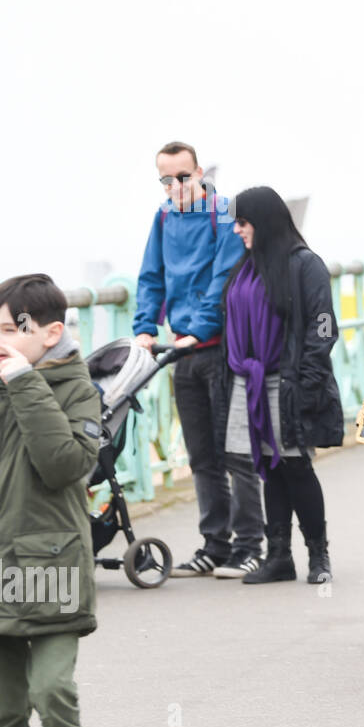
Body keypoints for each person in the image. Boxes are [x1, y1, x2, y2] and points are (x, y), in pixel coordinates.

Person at [0, 274, 101, 727]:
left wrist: (25, 383)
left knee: (52, 692)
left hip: (53, 567)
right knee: (5, 717)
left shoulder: (77, 388)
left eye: (11, 329)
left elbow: (64, 465)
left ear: (51, 333)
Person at [134, 141, 263, 579]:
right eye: (166, 180)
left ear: (200, 172)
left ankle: (250, 546)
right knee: (201, 456)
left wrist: (198, 330)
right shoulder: (164, 216)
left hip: (221, 349)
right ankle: (215, 545)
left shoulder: (224, 213)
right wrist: (145, 327)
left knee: (237, 454)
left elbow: (225, 277)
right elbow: (152, 275)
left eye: (182, 177)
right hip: (182, 353)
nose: (175, 187)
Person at [220, 188, 345, 585]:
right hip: (251, 381)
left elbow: (323, 326)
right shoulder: (247, 266)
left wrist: (307, 381)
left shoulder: (304, 265)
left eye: (244, 221)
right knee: (269, 468)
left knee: (295, 465)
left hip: (288, 381)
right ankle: (278, 556)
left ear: (265, 221)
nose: (238, 229)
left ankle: (318, 555)